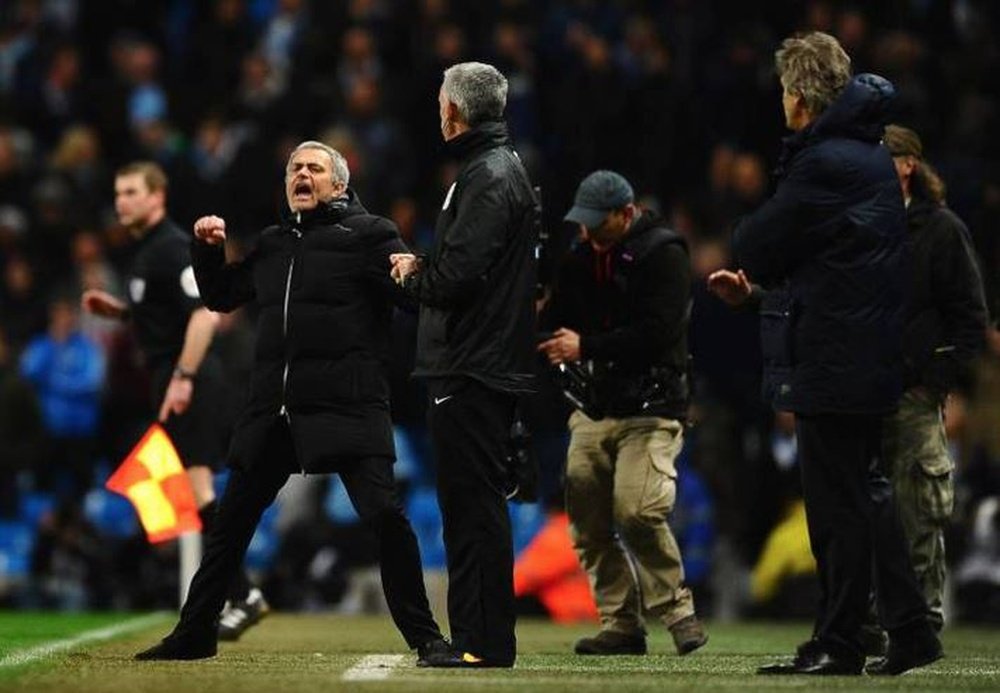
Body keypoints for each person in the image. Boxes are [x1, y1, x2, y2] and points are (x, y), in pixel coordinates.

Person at [134, 141, 449, 664]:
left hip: (348, 407)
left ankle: (427, 638)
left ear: (339, 185)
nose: (302, 174)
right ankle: (195, 632)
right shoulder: (273, 242)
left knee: (385, 519)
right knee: (229, 528)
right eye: (294, 168)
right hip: (275, 412)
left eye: (315, 168)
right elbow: (222, 296)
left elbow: (411, 301)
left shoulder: (371, 235)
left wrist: (415, 274)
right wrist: (208, 252)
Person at [707, 32, 942, 676]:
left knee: (839, 505)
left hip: (836, 356)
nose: (780, 99)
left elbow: (760, 239)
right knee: (863, 496)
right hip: (859, 350)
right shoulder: (863, 153)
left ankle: (842, 640)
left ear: (802, 97)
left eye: (785, 88)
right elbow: (824, 258)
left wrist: (745, 241)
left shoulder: (825, 161)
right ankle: (904, 630)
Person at [390, 62, 538, 668]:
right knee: (472, 506)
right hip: (480, 361)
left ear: (453, 111)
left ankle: (480, 640)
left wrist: (414, 270)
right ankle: (482, 637)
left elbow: (458, 274)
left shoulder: (485, 176)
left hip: (471, 365)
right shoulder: (496, 170)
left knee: (471, 508)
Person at [81, 161, 266, 640]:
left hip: (191, 380)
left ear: (156, 197)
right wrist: (123, 313)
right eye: (118, 192)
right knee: (185, 489)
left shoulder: (167, 248)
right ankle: (236, 591)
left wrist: (184, 376)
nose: (121, 200)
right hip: (175, 378)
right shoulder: (145, 252)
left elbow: (204, 316)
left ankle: (243, 593)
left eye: (131, 192)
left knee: (196, 489)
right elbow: (166, 318)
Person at [536, 170, 708, 656]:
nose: (587, 233)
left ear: (626, 214)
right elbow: (558, 318)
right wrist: (540, 314)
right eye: (582, 224)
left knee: (637, 509)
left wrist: (585, 345)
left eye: (597, 224)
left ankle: (678, 612)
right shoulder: (579, 257)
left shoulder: (664, 255)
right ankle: (621, 623)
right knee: (587, 520)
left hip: (651, 408)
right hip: (594, 406)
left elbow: (657, 331)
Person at [875, 124, 987, 630]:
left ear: (907, 165)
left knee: (918, 506)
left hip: (913, 394)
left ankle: (922, 617)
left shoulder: (941, 230)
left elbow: (971, 318)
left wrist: (934, 379)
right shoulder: (858, 226)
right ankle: (875, 616)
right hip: (862, 390)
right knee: (868, 509)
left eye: (884, 156)